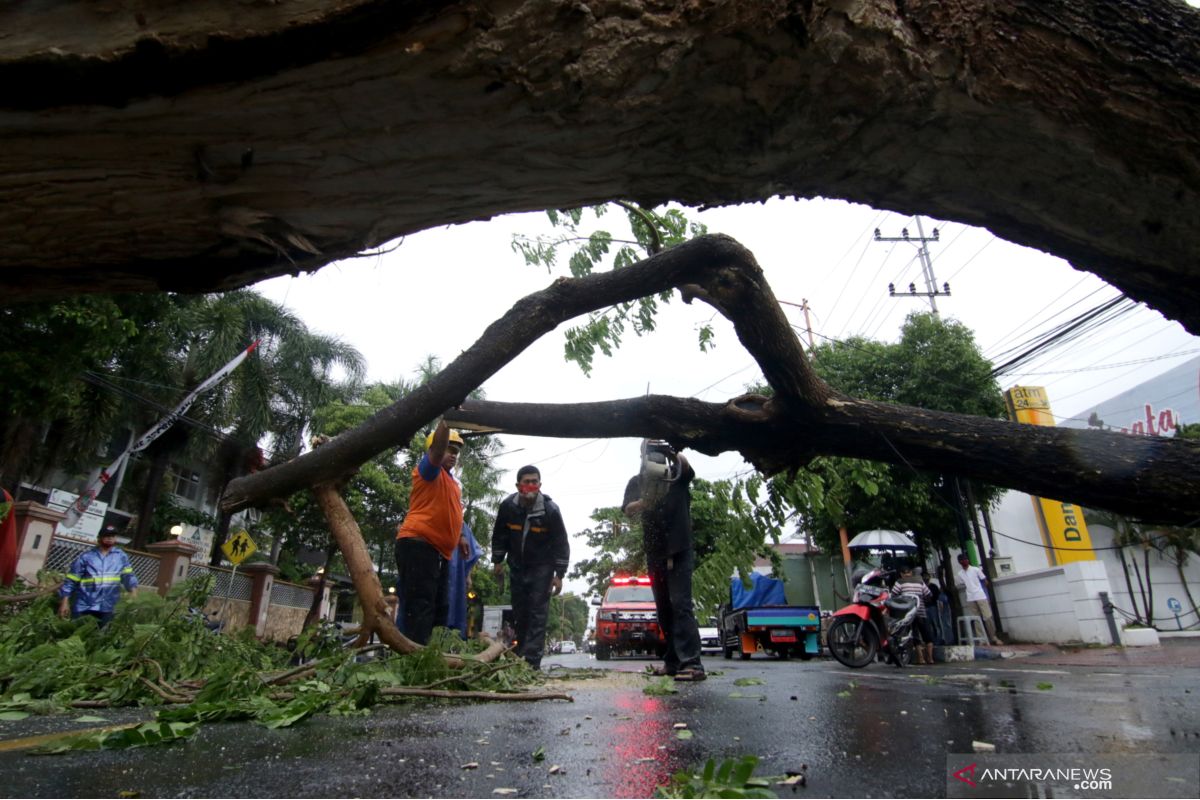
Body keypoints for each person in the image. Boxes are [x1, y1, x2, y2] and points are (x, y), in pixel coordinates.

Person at [622, 440, 705, 681]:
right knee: (664, 608)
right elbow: (627, 509)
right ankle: (672, 661)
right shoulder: (637, 482)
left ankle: (692, 664)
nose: (653, 456)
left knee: (681, 604)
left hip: (679, 549)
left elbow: (687, 466)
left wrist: (672, 450)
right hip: (655, 552)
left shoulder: (678, 475)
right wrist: (644, 503)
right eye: (649, 452)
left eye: (656, 452)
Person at [395, 420, 471, 645]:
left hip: (439, 552)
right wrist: (447, 418)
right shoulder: (428, 470)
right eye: (449, 448)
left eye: (456, 451)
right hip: (419, 545)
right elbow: (437, 452)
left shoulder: (453, 484)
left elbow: (450, 512)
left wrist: (460, 536)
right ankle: (412, 662)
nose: (453, 454)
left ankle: (429, 658)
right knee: (420, 607)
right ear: (435, 448)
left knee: (439, 609)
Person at [492, 466, 569, 668]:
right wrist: (497, 561)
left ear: (540, 485)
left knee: (537, 613)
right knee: (520, 612)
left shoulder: (550, 510)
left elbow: (561, 543)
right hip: (517, 566)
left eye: (535, 482)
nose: (531, 486)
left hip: (542, 568)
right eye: (527, 482)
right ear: (518, 486)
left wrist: (559, 575)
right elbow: (500, 535)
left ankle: (531, 661)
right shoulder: (508, 506)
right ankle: (520, 655)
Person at [57, 528, 138, 625]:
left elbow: (128, 575)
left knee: (101, 637)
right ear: (99, 538)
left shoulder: (121, 557)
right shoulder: (86, 557)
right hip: (85, 605)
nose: (109, 538)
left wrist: (133, 592)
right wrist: (65, 602)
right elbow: (71, 580)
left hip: (108, 606)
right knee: (77, 636)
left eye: (112, 536)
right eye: (106, 536)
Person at [891, 564, 934, 665]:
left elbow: (893, 595)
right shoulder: (920, 581)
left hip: (909, 614)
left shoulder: (899, 582)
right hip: (921, 611)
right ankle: (930, 658)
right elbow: (928, 595)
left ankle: (921, 659)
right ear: (910, 572)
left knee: (915, 635)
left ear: (901, 574)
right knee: (927, 634)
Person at [955, 552, 1000, 645]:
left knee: (987, 617)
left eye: (965, 559)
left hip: (980, 595)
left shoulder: (976, 569)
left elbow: (985, 581)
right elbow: (961, 583)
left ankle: (993, 637)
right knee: (976, 619)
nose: (965, 561)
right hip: (970, 597)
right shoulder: (960, 574)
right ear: (960, 562)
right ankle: (981, 639)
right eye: (962, 560)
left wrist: (984, 593)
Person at [445, 521, 481, 637]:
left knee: (453, 608)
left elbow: (471, 553)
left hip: (455, 577)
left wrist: (468, 576)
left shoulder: (462, 525)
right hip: (444, 570)